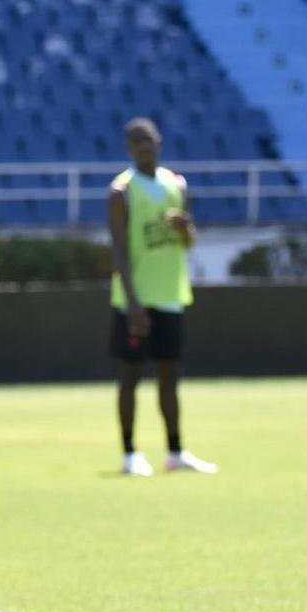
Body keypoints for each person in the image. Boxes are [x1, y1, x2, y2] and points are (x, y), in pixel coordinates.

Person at [108, 118, 218, 477]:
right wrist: (134, 304)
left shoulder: (177, 184)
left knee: (170, 375)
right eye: (137, 141)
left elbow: (188, 243)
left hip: (171, 293)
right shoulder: (121, 191)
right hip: (135, 300)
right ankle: (129, 453)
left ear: (160, 143)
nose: (145, 146)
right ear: (129, 148)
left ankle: (175, 451)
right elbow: (119, 252)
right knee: (131, 375)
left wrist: (185, 228)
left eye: (149, 140)